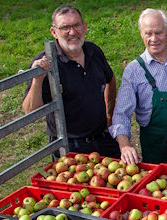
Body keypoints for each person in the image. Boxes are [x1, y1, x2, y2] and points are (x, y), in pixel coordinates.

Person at [22, 5, 119, 157]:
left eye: (76, 25)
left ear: (84, 27)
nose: (72, 32)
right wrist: (37, 80)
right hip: (70, 145)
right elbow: (29, 111)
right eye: (65, 27)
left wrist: (109, 115)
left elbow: (110, 80)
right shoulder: (47, 62)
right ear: (54, 32)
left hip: (103, 138)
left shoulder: (93, 51)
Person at [109, 9, 167, 164]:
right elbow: (121, 115)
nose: (153, 39)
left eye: (158, 33)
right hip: (156, 149)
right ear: (141, 34)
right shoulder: (134, 70)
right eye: (148, 34)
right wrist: (125, 146)